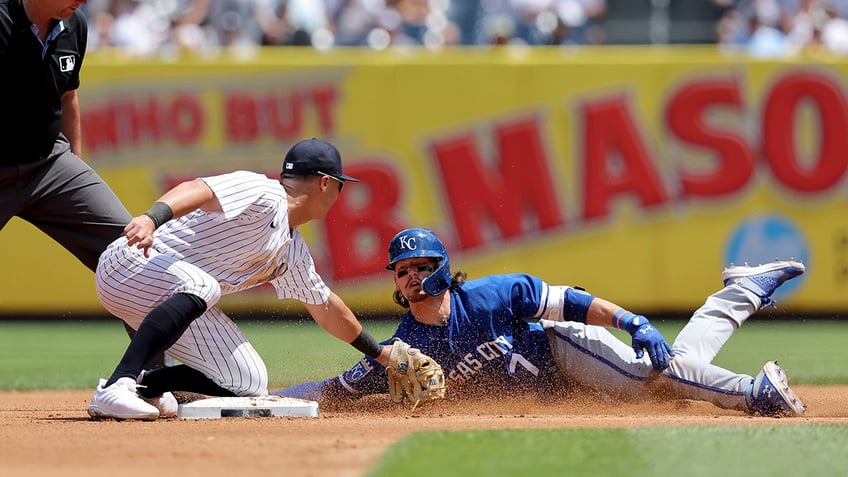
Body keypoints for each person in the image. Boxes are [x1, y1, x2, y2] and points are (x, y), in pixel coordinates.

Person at [275, 227, 807, 418]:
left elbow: (570, 302)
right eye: (403, 269)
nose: (413, 276)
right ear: (395, 280)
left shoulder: (488, 295)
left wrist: (632, 321)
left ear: (443, 267)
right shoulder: (402, 349)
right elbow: (334, 390)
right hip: (560, 388)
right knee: (669, 381)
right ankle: (742, 292)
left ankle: (751, 394)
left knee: (644, 379)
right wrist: (266, 400)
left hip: (563, 346)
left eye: (423, 266)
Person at [87, 138, 395, 420]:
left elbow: (326, 308)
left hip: (172, 294)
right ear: (326, 183)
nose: (341, 193)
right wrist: (150, 218)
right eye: (341, 184)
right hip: (130, 264)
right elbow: (199, 189)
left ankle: (147, 387)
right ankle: (117, 384)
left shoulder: (293, 251)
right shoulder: (265, 192)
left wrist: (380, 354)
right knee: (204, 285)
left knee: (249, 380)